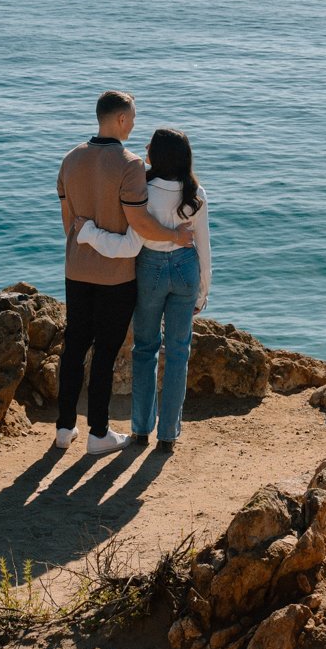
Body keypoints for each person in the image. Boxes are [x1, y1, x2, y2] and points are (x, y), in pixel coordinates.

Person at [56, 91, 194, 456]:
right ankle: (98, 433)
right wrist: (176, 236)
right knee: (105, 352)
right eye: (132, 118)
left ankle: (63, 427)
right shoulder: (130, 164)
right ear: (119, 119)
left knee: (73, 347)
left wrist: (87, 237)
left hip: (76, 268)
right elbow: (141, 223)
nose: (134, 125)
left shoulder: (70, 159)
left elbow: (69, 223)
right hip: (116, 275)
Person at [75, 126, 211, 454]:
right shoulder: (196, 193)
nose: (144, 147)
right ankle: (168, 435)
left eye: (150, 144)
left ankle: (140, 430)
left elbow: (129, 242)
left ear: (157, 155)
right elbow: (204, 246)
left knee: (145, 349)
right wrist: (203, 291)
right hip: (185, 270)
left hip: (149, 269)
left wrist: (89, 233)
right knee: (179, 353)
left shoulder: (144, 190)